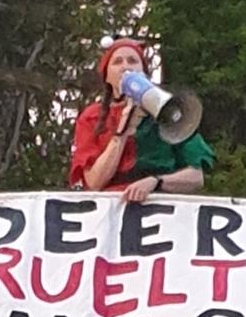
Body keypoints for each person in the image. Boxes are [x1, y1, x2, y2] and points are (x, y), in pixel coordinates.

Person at [69, 37, 215, 202]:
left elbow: (196, 177)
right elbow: (94, 183)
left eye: (132, 61)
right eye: (117, 62)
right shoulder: (92, 118)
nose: (125, 67)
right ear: (107, 76)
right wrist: (121, 134)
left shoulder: (169, 111)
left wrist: (157, 182)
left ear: (144, 72)